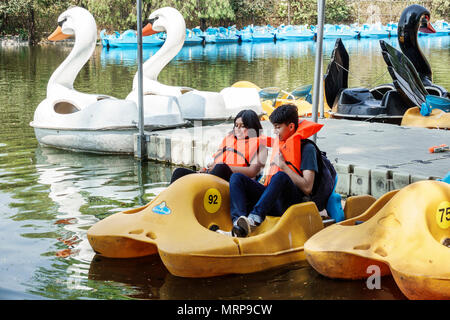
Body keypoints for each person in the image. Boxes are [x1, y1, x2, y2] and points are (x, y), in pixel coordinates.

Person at [225, 104, 332, 237]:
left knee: (280, 176)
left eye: (278, 127)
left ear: (291, 127)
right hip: (272, 199)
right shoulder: (280, 144)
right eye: (274, 127)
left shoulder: (307, 149)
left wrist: (284, 166)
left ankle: (254, 219)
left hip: (291, 204)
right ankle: (238, 225)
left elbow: (307, 187)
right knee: (237, 178)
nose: (275, 132)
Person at [169, 109, 268, 184]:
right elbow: (215, 161)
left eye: (242, 126)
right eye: (236, 125)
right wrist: (203, 170)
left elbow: (252, 172)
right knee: (179, 172)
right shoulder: (229, 140)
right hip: (213, 176)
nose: (237, 129)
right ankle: (168, 205)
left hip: (234, 183)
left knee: (220, 167)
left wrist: (224, 168)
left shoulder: (261, 147)